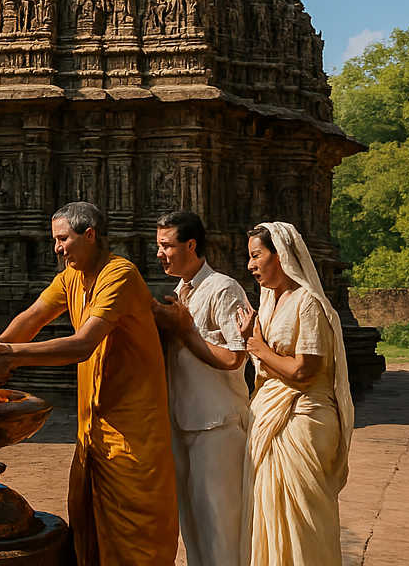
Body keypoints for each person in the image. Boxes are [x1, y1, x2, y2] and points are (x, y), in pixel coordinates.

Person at [0, 201, 177, 566]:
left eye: (62, 239)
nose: (56, 248)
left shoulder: (119, 274)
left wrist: (11, 355)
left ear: (90, 235)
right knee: (87, 526)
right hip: (93, 425)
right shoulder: (71, 276)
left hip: (132, 431)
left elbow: (85, 344)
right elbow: (33, 316)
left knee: (135, 538)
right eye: (54, 240)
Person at [235, 221, 353, 566]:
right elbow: (273, 364)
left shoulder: (308, 304)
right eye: (250, 257)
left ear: (281, 256)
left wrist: (256, 347)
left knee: (304, 520)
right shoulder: (269, 302)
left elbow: (305, 371)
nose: (251, 265)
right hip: (272, 412)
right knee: (267, 510)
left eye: (257, 256)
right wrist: (253, 341)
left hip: (305, 418)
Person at [150, 210, 253, 566]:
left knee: (219, 525)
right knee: (192, 526)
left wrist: (186, 330)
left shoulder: (223, 288)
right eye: (158, 245)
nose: (160, 253)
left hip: (217, 425)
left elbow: (234, 357)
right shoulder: (180, 293)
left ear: (190, 245)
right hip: (182, 421)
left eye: (166, 246)